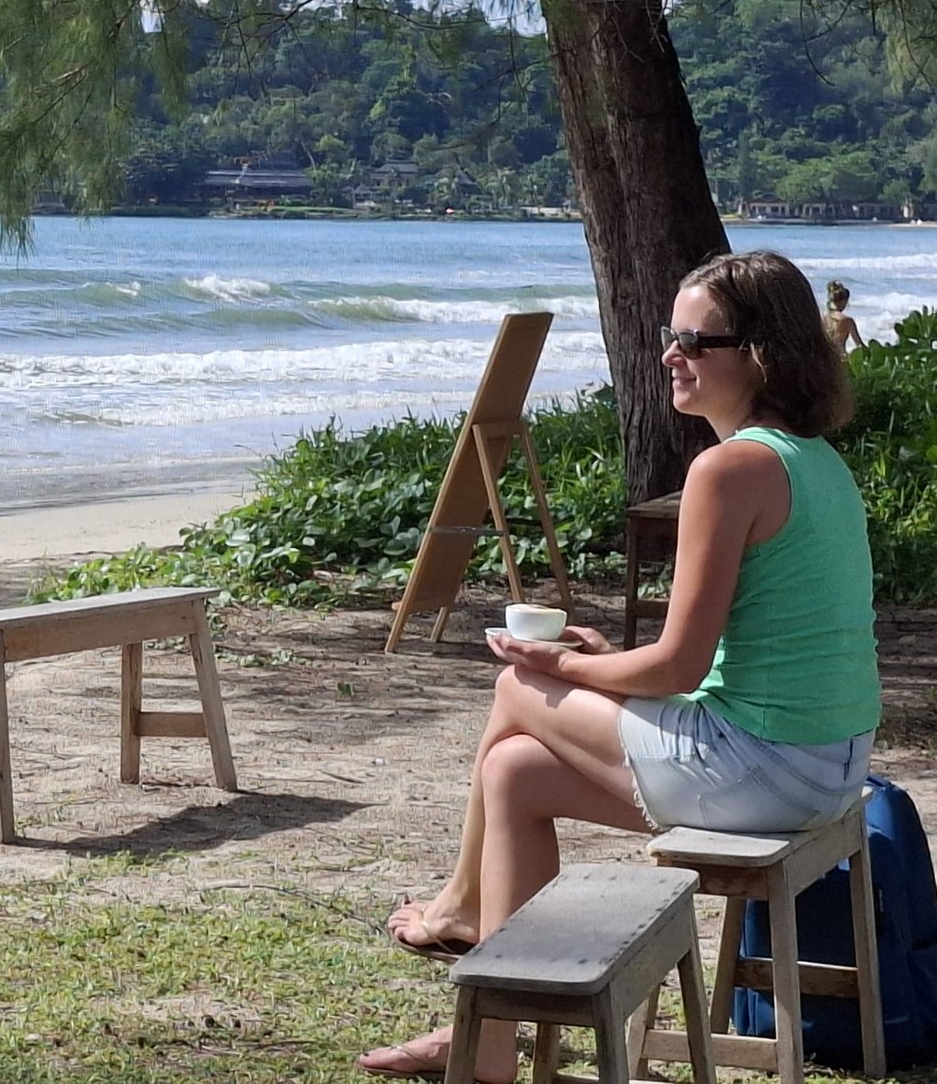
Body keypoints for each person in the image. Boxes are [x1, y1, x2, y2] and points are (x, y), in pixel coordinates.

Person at [359, 250, 880, 1082]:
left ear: (761, 354)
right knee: (516, 773)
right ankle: (488, 1044)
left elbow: (678, 666)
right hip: (824, 766)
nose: (671, 354)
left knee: (517, 683)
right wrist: (609, 662)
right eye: (671, 336)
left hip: (765, 768)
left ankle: (458, 909)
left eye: (696, 341)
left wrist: (554, 665)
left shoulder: (729, 468)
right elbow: (731, 655)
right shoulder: (813, 459)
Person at [824, 280, 865, 354]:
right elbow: (859, 345)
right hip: (841, 357)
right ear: (844, 301)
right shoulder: (847, 320)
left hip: (825, 357)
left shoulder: (822, 318)